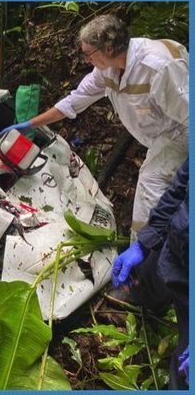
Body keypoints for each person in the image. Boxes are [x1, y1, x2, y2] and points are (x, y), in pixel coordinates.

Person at [1, 15, 189, 240]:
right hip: (160, 136)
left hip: (180, 131)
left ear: (108, 48)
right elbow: (75, 101)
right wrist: (31, 124)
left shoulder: (158, 68)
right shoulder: (108, 69)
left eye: (89, 53)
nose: (86, 59)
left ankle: (141, 256)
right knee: (171, 193)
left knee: (150, 186)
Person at [111, 158, 189, 389]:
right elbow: (181, 186)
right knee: (150, 277)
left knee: (183, 374)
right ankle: (142, 297)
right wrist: (146, 240)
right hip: (176, 250)